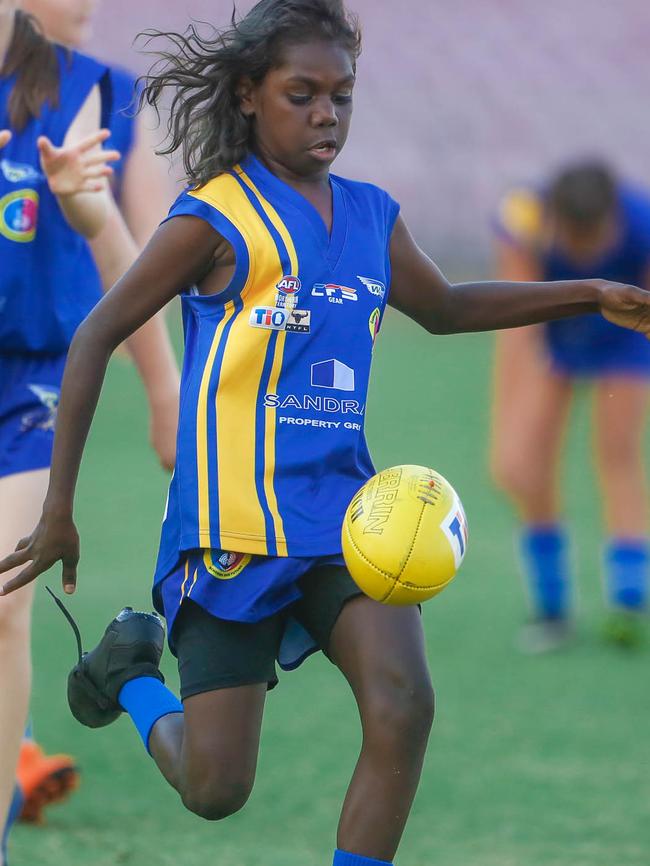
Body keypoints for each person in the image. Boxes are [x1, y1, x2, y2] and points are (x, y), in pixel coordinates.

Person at [2, 3, 650, 865]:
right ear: (246, 97)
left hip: (349, 524)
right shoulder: (216, 215)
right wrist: (59, 511)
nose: (325, 114)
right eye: (300, 94)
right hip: (229, 531)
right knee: (215, 789)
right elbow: (95, 336)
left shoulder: (372, 216)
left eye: (340, 96)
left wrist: (589, 292)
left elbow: (447, 307)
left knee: (403, 703)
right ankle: (132, 680)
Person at [0, 4, 178, 860]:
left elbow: (141, 256)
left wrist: (166, 386)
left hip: (27, 381)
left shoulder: (92, 93)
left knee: (3, 602)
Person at [490, 161, 650, 653]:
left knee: (617, 454)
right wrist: (509, 420)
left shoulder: (642, 224)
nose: (582, 250)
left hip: (626, 336)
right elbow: (518, 323)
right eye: (573, 238)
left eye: (593, 237)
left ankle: (629, 604)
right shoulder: (523, 221)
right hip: (555, 333)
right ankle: (552, 609)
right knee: (523, 467)